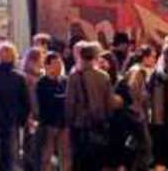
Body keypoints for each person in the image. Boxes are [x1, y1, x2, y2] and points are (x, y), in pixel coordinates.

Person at [0, 42, 31, 171]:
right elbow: (25, 102)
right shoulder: (17, 77)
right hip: (6, 122)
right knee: (4, 159)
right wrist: (21, 119)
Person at [65, 41, 113, 171]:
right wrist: (107, 119)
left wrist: (69, 121)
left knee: (80, 160)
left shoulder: (74, 76)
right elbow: (109, 102)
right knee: (96, 161)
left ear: (80, 57)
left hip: (79, 124)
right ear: (95, 57)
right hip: (98, 123)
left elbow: (70, 102)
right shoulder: (104, 76)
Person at [37, 52, 70, 171]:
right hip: (49, 124)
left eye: (60, 64)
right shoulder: (42, 83)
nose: (59, 67)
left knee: (65, 154)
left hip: (64, 123)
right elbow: (46, 101)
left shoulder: (64, 81)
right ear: (47, 65)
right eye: (55, 64)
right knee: (46, 155)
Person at [22, 47, 45, 171]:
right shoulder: (30, 77)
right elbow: (31, 98)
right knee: (32, 144)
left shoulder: (37, 75)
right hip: (33, 114)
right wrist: (32, 114)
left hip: (35, 114)